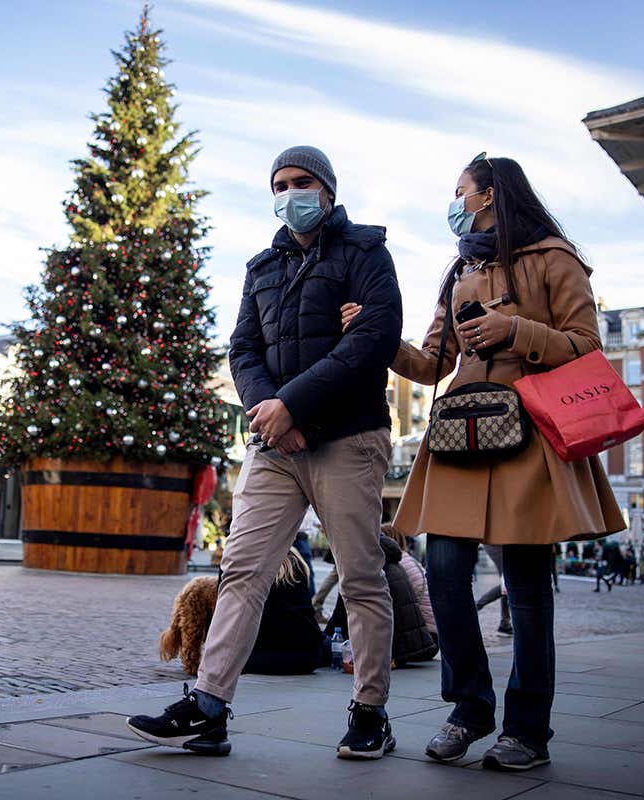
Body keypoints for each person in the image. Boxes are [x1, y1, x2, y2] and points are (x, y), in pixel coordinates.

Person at [345, 154, 625, 771]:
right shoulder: (460, 272)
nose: (454, 204)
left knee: (526, 587)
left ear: (491, 195)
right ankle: (469, 709)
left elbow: (587, 348)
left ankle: (528, 731)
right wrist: (378, 337)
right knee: (444, 573)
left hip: (529, 436)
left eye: (460, 192)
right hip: (462, 435)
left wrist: (514, 331)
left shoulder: (556, 258)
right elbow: (432, 364)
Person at [127, 145, 402, 759]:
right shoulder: (262, 267)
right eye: (279, 185)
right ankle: (208, 707)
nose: (289, 193)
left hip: (348, 437)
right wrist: (271, 413)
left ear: (327, 189)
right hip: (274, 444)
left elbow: (374, 338)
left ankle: (370, 711)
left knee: (360, 576)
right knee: (242, 571)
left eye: (301, 181)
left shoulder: (366, 251)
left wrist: (293, 406)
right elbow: (243, 350)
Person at [329, 529, 437, 665]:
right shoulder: (396, 561)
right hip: (424, 641)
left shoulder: (370, 565)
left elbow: (342, 612)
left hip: (410, 648)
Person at [475, 545, 513, 635]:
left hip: (506, 544)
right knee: (509, 580)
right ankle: (476, 606)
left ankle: (505, 623)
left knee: (507, 581)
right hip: (496, 543)